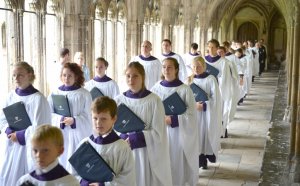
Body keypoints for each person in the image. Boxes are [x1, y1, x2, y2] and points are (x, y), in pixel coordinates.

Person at [114, 62, 172, 186]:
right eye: (128, 76)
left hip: (145, 154)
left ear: (143, 77)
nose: (131, 79)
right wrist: (122, 137)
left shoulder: (154, 101)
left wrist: (136, 137)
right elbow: (113, 127)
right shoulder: (118, 100)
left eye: (135, 76)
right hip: (124, 150)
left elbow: (158, 132)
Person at [0, 62, 51, 186]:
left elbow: (41, 127)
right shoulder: (10, 96)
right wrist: (7, 130)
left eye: (20, 75)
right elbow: (3, 119)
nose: (16, 79)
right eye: (14, 75)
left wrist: (21, 135)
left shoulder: (38, 99)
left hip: (29, 149)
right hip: (12, 146)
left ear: (30, 75)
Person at [151, 57, 198, 186]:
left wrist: (173, 119)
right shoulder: (155, 88)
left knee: (176, 161)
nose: (166, 70)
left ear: (176, 69)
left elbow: (192, 115)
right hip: (160, 131)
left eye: (170, 67)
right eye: (164, 67)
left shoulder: (184, 89)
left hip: (178, 133)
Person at [75, 96, 136, 186]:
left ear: (114, 119)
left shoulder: (122, 147)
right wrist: (84, 183)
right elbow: (73, 173)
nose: (98, 123)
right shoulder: (84, 144)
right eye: (95, 118)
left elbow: (128, 179)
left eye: (103, 119)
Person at [48, 62, 93, 173]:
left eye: (69, 75)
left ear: (76, 77)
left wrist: (75, 120)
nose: (66, 78)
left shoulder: (84, 94)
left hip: (77, 135)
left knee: (76, 169)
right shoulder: (54, 93)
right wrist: (60, 119)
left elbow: (89, 116)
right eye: (64, 75)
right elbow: (48, 114)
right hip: (61, 135)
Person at [186, 56, 222, 170]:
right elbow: (184, 97)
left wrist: (205, 105)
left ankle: (203, 159)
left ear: (204, 66)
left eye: (199, 66)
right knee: (194, 136)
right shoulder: (189, 80)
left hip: (206, 114)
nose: (196, 68)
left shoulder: (210, 79)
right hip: (193, 114)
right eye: (194, 66)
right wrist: (193, 105)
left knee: (204, 136)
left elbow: (216, 98)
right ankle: (196, 159)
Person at [205, 39, 232, 138]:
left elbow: (224, 79)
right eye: (209, 47)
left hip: (218, 91)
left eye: (213, 47)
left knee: (218, 112)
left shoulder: (223, 62)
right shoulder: (203, 60)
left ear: (217, 48)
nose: (210, 49)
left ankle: (219, 132)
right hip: (205, 91)